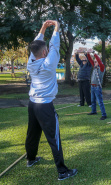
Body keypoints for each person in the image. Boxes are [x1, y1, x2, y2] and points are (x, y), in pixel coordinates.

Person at [26, 20, 77, 180]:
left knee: (32, 133)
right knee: (54, 138)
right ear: (44, 53)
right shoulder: (48, 63)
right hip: (44, 107)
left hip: (32, 104)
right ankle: (63, 172)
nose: (48, 50)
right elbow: (54, 45)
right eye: (46, 49)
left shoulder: (31, 61)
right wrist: (56, 28)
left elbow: (36, 45)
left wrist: (43, 28)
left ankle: (31, 159)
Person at [87, 49, 107, 120]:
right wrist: (88, 53)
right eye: (94, 61)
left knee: (100, 101)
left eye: (96, 61)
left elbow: (99, 61)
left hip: (97, 87)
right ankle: (93, 111)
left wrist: (94, 53)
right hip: (92, 86)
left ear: (98, 62)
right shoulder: (95, 67)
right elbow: (90, 59)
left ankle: (104, 114)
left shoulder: (101, 68)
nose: (94, 62)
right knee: (92, 100)